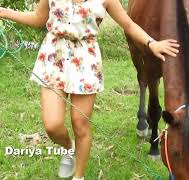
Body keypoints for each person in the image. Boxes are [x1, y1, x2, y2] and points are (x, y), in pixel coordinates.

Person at [0, 0, 179, 179]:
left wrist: (152, 43)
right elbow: (38, 18)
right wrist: (3, 12)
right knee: (52, 125)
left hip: (85, 61)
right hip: (54, 57)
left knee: (80, 124)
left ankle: (79, 176)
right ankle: (69, 148)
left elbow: (129, 24)